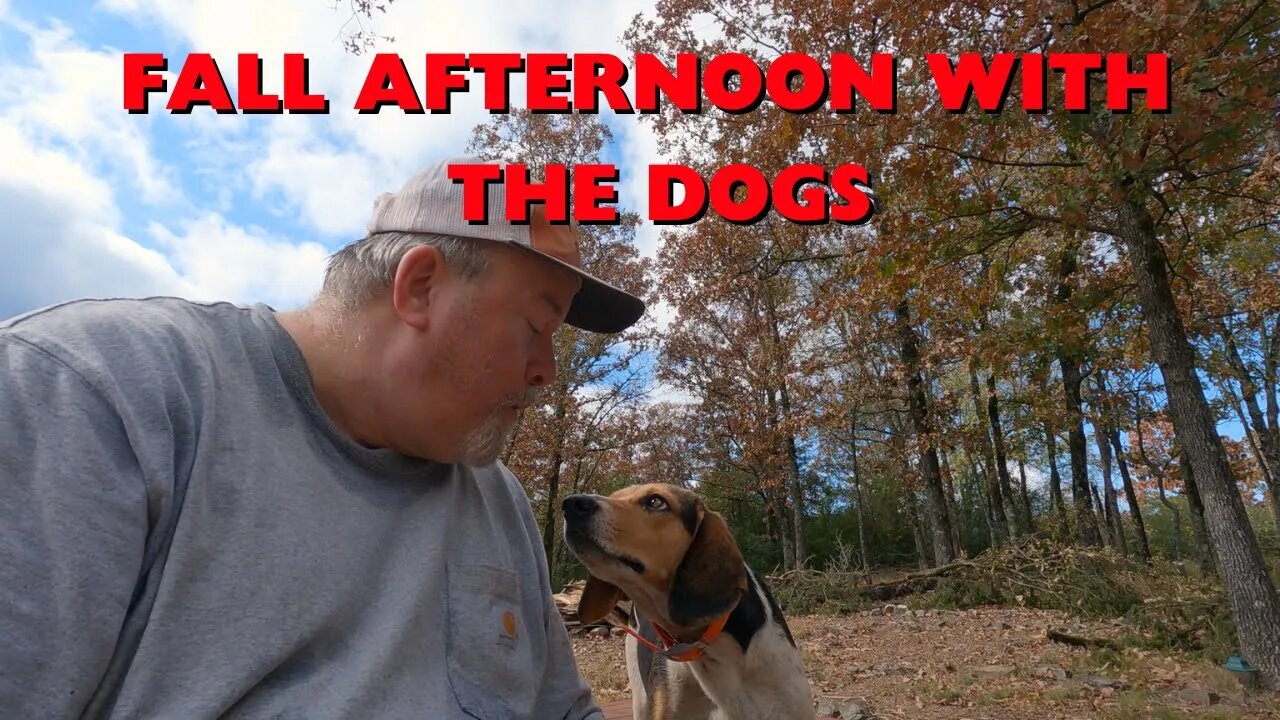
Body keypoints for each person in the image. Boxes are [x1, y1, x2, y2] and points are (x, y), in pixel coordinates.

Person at [0, 156, 645, 718]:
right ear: (419, 288)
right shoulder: (93, 394)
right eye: (537, 325)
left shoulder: (495, 501)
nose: (547, 373)